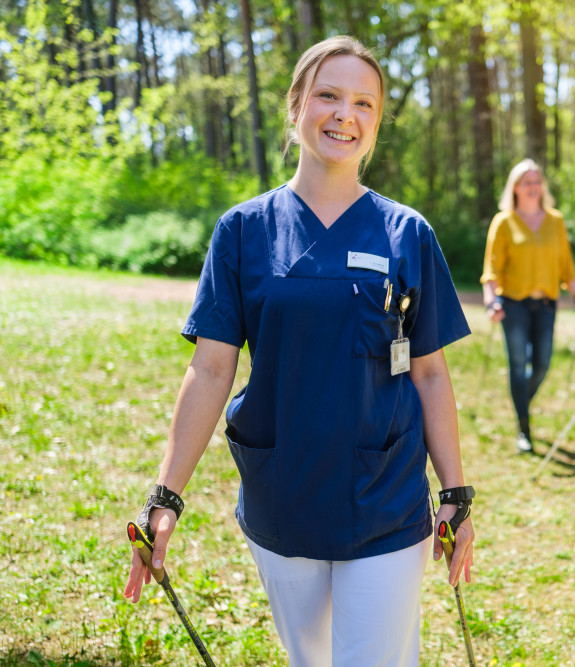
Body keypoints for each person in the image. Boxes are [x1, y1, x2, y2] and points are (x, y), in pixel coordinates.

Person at [123, 36, 476, 666]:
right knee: (309, 659)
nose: (346, 115)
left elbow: (429, 374)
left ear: (376, 125)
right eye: (329, 95)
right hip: (282, 494)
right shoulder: (243, 231)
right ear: (296, 106)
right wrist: (165, 496)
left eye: (364, 103)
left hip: (386, 497)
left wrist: (455, 494)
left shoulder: (408, 233)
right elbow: (209, 370)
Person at [481, 158, 575, 454]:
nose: (533, 187)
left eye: (537, 181)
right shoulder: (504, 221)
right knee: (518, 364)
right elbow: (491, 267)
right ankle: (523, 426)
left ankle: (520, 403)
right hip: (513, 304)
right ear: (515, 188)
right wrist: (491, 300)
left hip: (546, 304)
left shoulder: (555, 220)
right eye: (527, 182)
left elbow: (566, 264)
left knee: (542, 364)